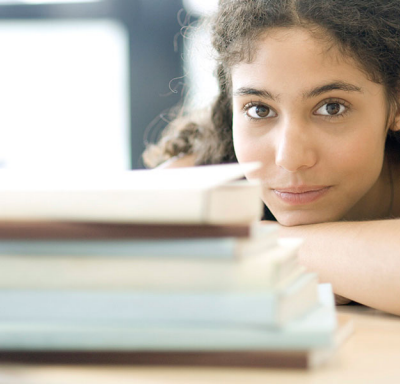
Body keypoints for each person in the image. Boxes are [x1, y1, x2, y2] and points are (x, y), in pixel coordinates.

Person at [143, 0, 400, 315]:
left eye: (332, 107)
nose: (289, 158)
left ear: (396, 105)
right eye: (259, 109)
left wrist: (262, 245)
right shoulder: (206, 178)